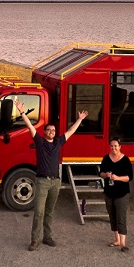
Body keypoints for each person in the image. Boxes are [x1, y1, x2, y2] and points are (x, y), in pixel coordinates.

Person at [19, 107, 88, 250]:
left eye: (53, 130)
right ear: (44, 132)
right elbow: (30, 126)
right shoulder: (40, 142)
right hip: (42, 181)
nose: (51, 132)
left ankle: (47, 237)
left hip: (55, 182)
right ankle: (35, 240)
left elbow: (71, 131)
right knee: (39, 212)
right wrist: (22, 113)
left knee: (50, 211)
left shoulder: (58, 142)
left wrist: (79, 119)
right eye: (49, 130)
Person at [99, 138, 133, 251]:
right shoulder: (106, 158)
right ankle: (117, 239)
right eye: (111, 146)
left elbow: (129, 177)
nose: (113, 148)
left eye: (115, 146)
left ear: (120, 147)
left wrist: (117, 178)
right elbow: (101, 173)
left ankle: (123, 243)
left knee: (121, 216)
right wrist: (106, 175)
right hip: (109, 192)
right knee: (112, 215)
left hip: (122, 193)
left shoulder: (125, 160)